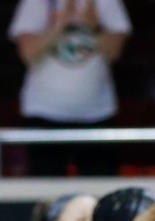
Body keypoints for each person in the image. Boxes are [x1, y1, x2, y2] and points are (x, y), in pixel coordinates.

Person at [9, 0, 131, 176]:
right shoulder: (38, 3)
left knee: (100, 192)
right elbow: (28, 54)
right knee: (46, 192)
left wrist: (94, 27)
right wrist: (60, 25)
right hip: (44, 114)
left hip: (97, 114)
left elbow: (114, 53)